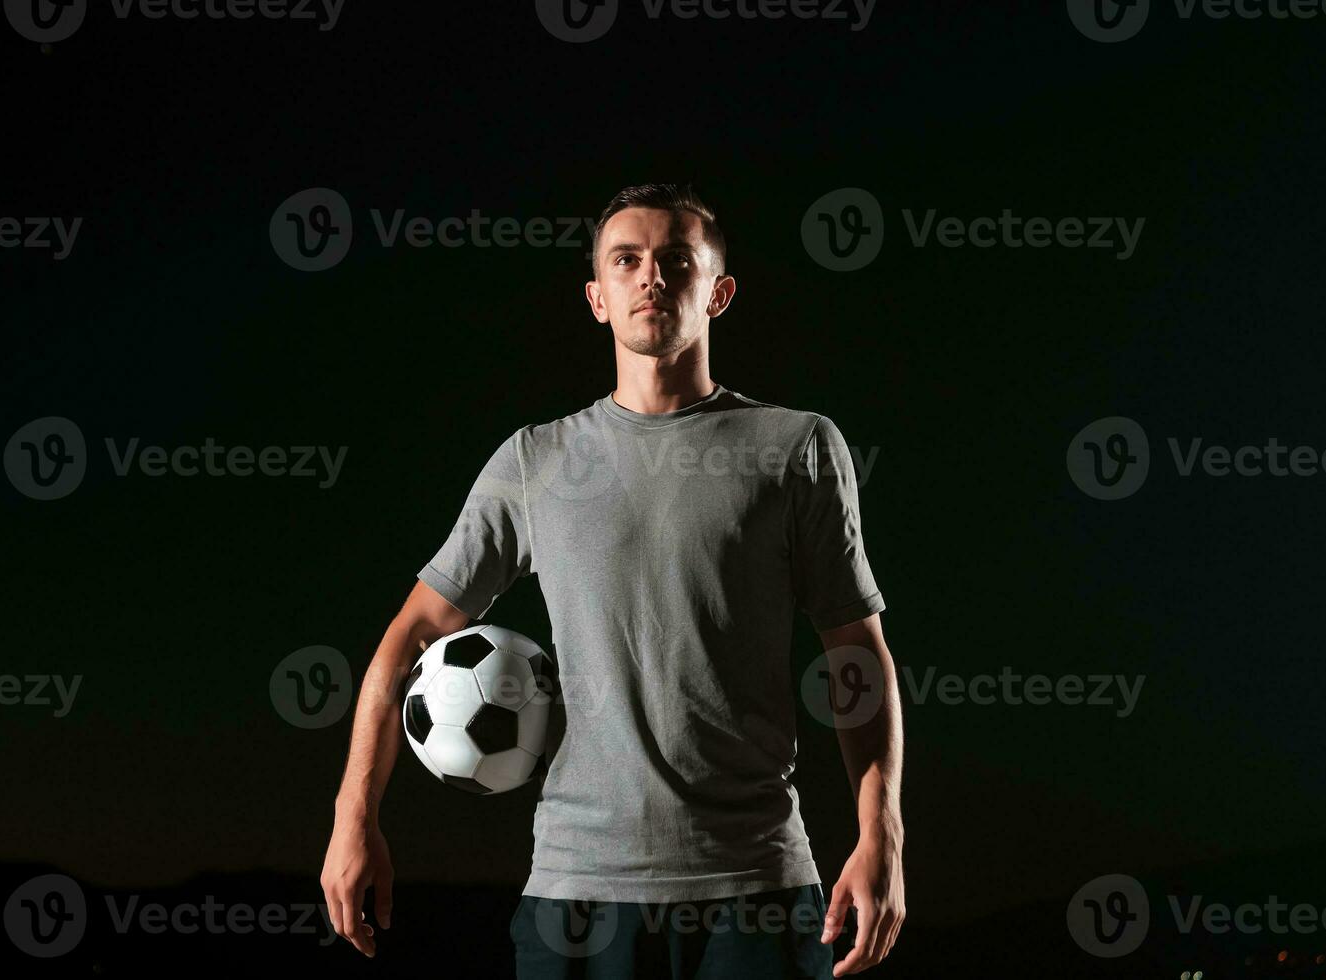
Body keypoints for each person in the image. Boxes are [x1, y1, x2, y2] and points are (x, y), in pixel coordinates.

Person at [321, 183, 905, 977]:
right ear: (597, 298)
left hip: (756, 888)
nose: (650, 278)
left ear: (718, 292)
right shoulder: (538, 461)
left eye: (675, 260)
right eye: (626, 261)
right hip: (577, 897)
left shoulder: (795, 449)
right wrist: (353, 813)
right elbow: (416, 632)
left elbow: (854, 654)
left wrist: (882, 835)